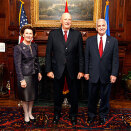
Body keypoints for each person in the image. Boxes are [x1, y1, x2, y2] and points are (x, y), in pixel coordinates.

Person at [45, 12, 84, 125]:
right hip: (57, 70)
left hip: (73, 70)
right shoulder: (53, 34)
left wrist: (81, 70)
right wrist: (48, 70)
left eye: (70, 19)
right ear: (61, 21)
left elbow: (81, 55)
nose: (68, 21)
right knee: (57, 95)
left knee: (74, 95)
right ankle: (56, 115)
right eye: (65, 19)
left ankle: (73, 116)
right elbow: (48, 54)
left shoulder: (77, 34)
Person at [84, 19, 119, 125]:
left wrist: (114, 74)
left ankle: (103, 116)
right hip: (92, 74)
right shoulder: (90, 40)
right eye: (99, 26)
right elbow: (87, 58)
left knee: (105, 98)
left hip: (107, 75)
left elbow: (115, 59)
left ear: (106, 26)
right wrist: (86, 72)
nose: (101, 27)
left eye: (103, 25)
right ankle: (91, 116)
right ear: (96, 28)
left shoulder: (113, 41)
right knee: (92, 97)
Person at [14, 24, 42, 123]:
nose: (29, 35)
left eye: (31, 33)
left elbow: (36, 60)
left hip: (34, 75)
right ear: (23, 35)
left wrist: (39, 72)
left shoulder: (34, 46)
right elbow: (17, 65)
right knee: (25, 98)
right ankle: (26, 113)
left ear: (33, 35)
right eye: (27, 33)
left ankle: (30, 113)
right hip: (25, 76)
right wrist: (21, 79)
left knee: (32, 96)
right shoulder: (18, 48)